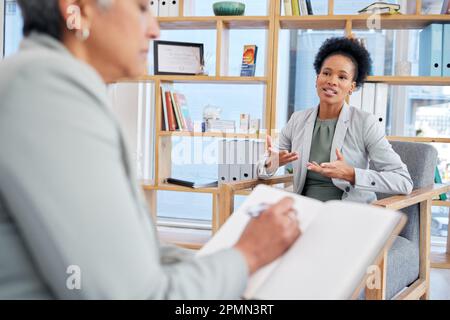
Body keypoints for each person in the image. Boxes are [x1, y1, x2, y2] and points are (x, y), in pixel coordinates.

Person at [0, 0, 300, 299]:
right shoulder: (47, 89)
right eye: (142, 9)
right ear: (78, 10)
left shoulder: (43, 82)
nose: (156, 30)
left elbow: (126, 254)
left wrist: (220, 260)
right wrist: (248, 255)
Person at [258, 37, 413, 203]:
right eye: (326, 73)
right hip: (305, 211)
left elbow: (403, 181)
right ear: (317, 79)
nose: (332, 81)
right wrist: (271, 162)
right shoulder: (298, 119)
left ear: (352, 87)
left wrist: (352, 174)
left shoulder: (365, 123)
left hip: (348, 215)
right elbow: (262, 169)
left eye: (342, 77)